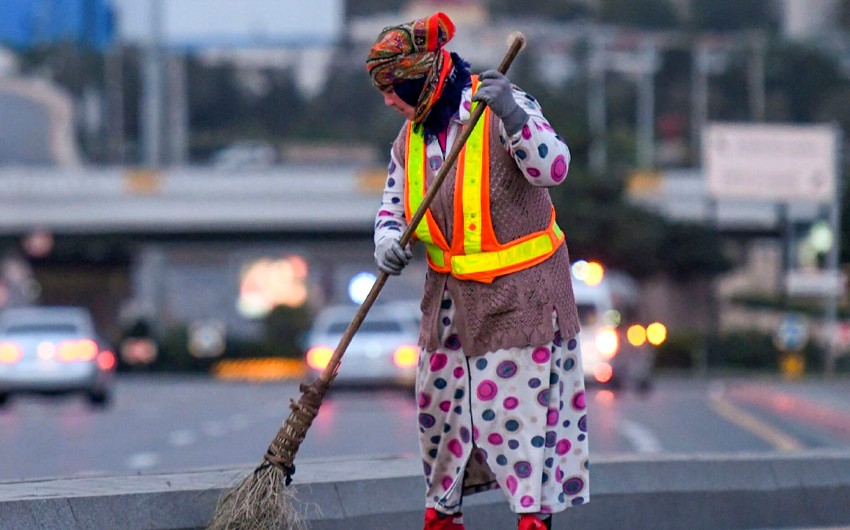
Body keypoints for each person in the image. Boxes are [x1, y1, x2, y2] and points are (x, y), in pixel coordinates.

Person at [366, 12, 588, 530]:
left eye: (392, 88)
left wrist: (511, 112)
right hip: (449, 303)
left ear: (420, 80)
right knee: (443, 421)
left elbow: (553, 167)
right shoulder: (410, 138)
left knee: (519, 421)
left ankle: (532, 520)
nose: (387, 101)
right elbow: (393, 207)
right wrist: (386, 242)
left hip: (522, 297)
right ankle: (444, 517)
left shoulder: (499, 106)